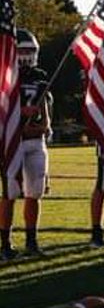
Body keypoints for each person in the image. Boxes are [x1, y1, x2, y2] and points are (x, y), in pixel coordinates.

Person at [2, 31, 49, 257]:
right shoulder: (6, 75)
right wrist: (20, 112)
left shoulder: (40, 76)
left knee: (35, 191)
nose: (27, 55)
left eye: (31, 50)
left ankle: (31, 240)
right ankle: (6, 242)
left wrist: (46, 125)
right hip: (13, 141)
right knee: (10, 191)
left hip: (35, 141)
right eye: (23, 50)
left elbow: (46, 109)